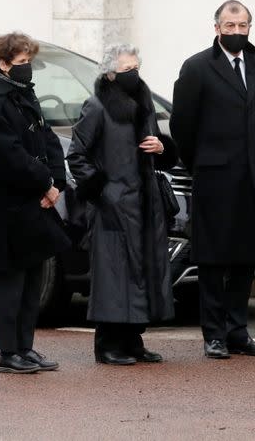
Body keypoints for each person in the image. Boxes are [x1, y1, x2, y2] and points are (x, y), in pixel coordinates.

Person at [170, 0, 255, 359]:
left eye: (242, 25)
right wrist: (200, 162)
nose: (236, 32)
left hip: (252, 176)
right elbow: (181, 124)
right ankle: (213, 334)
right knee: (214, 259)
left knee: (246, 256)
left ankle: (237, 331)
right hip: (214, 175)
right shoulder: (197, 67)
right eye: (229, 26)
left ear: (249, 27)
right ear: (216, 28)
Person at [66, 43, 177, 365]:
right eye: (127, 70)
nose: (134, 75)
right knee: (113, 273)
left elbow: (158, 150)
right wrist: (103, 193)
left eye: (136, 68)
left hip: (144, 201)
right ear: (111, 73)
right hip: (113, 204)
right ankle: (107, 344)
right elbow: (77, 155)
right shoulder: (97, 106)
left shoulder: (143, 102)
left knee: (141, 269)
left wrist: (162, 147)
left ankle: (133, 340)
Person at [0, 32, 71, 374]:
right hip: (9, 206)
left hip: (35, 203)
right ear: (3, 64)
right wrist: (43, 182)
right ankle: (8, 352)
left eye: (29, 63)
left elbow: (47, 138)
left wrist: (56, 182)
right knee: (10, 280)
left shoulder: (25, 95)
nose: (28, 69)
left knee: (33, 278)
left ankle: (25, 346)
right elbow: (8, 155)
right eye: (22, 63)